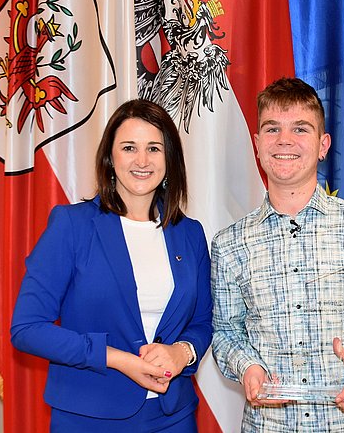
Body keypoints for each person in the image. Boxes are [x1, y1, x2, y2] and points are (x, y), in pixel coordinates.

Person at [211, 78, 344, 432]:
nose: (284, 140)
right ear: (257, 144)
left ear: (323, 144)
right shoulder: (229, 244)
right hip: (270, 425)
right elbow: (225, 330)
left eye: (301, 129)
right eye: (272, 129)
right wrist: (247, 365)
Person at [11, 99, 212, 432]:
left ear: (169, 160)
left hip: (174, 417)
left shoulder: (190, 233)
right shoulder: (72, 225)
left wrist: (183, 352)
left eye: (154, 148)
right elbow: (27, 329)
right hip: (89, 417)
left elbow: (202, 321)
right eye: (129, 147)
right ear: (110, 157)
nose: (142, 160)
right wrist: (118, 359)